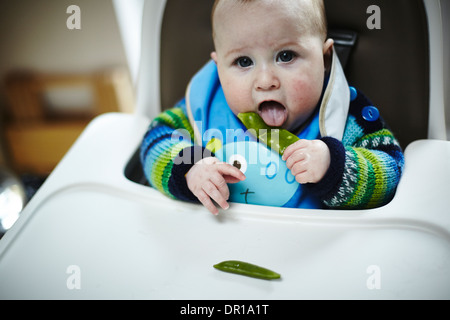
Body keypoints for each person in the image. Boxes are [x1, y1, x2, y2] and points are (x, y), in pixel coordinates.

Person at [140, 0, 404, 215]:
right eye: (243, 61)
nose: (265, 81)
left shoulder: (344, 114)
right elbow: (155, 140)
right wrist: (189, 168)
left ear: (324, 59)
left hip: (314, 255)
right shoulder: (205, 106)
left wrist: (335, 167)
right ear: (219, 67)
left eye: (286, 56)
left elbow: (391, 170)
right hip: (219, 252)